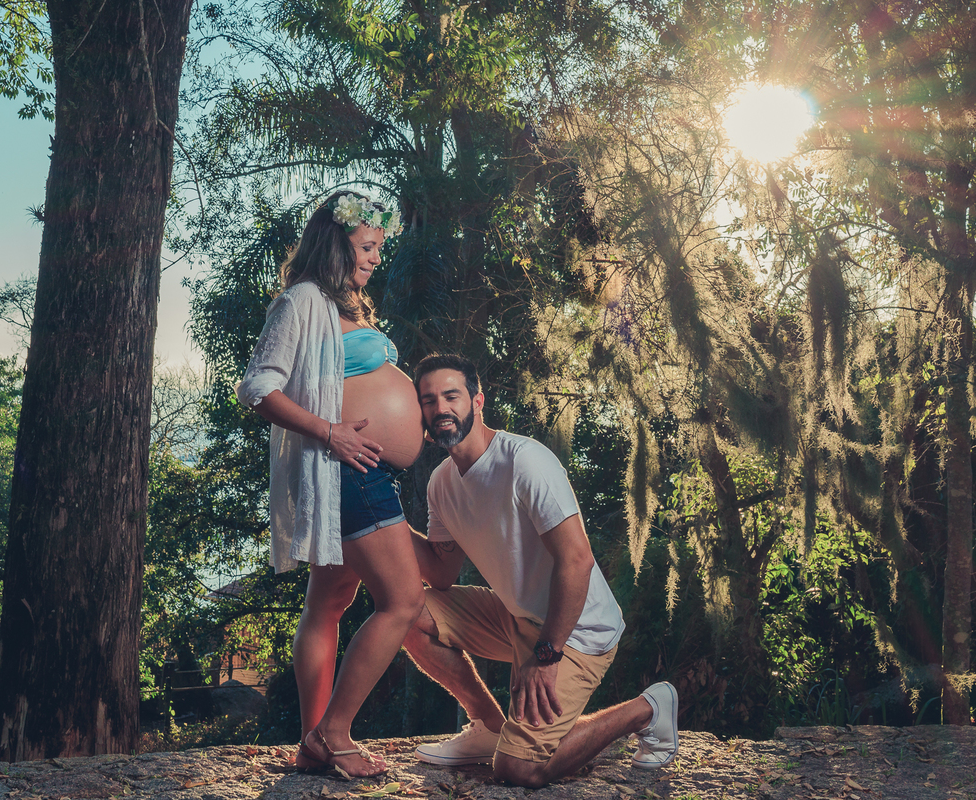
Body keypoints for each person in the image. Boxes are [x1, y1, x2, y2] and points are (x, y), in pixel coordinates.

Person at [403, 354, 681, 788]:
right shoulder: (440, 482)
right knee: (404, 609)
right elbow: (439, 574)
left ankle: (649, 707)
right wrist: (384, 521)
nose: (441, 409)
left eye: (451, 396)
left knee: (518, 771)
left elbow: (578, 560)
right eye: (429, 400)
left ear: (478, 401)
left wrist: (546, 657)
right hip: (515, 618)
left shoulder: (524, 462)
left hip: (575, 632)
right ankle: (489, 728)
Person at [236, 191, 425, 778]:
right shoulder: (300, 301)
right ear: (337, 241)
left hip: (361, 470)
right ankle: (335, 733)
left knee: (328, 605)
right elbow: (259, 387)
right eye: (367, 247)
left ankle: (311, 743)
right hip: (346, 468)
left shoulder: (349, 308)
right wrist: (332, 434)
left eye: (378, 249)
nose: (375, 259)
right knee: (402, 601)